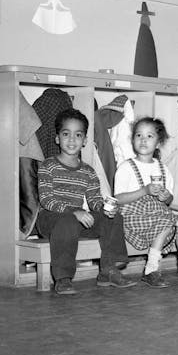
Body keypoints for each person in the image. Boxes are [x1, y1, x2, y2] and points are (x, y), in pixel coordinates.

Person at [37, 108, 136, 295]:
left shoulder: (88, 171)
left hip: (77, 219)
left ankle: (109, 269)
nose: (72, 140)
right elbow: (46, 200)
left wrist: (106, 209)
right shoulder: (48, 166)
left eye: (78, 135)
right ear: (57, 138)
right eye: (66, 134)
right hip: (51, 219)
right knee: (67, 221)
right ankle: (63, 278)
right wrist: (74, 212)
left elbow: (94, 200)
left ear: (84, 141)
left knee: (113, 218)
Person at [114, 117, 178, 288]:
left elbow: (169, 200)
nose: (143, 140)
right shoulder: (125, 167)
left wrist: (166, 197)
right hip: (131, 218)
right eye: (138, 135)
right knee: (168, 220)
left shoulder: (163, 168)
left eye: (149, 136)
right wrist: (144, 191)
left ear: (158, 143)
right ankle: (151, 270)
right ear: (132, 139)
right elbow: (117, 199)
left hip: (157, 216)